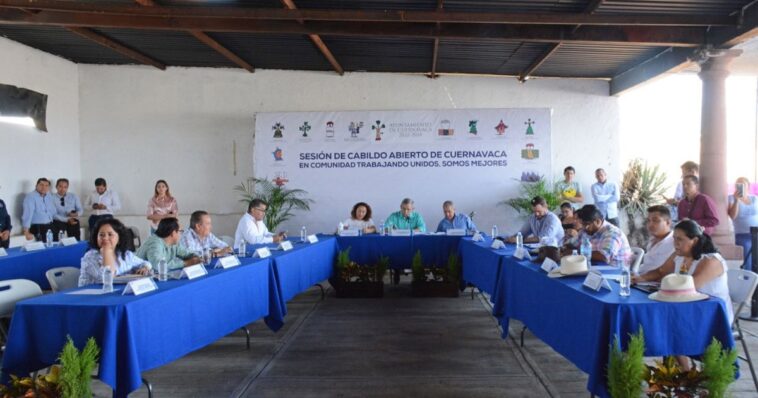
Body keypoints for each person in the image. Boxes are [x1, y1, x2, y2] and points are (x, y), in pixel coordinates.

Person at [632, 220, 733, 366]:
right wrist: (639, 278)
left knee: (667, 327)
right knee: (660, 325)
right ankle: (685, 373)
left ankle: (687, 375)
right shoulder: (679, 255)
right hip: (686, 307)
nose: (675, 243)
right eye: (674, 238)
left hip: (712, 315)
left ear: (695, 240)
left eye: (680, 239)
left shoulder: (710, 260)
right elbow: (661, 271)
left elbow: (690, 288)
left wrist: (664, 288)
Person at [78, 218, 151, 286]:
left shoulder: (125, 254)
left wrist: (144, 268)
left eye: (110, 234)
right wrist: (107, 252)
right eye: (101, 235)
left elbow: (145, 263)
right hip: (91, 297)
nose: (105, 238)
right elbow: (106, 279)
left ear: (119, 239)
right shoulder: (90, 257)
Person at [565, 205, 631, 265]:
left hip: (615, 272)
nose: (584, 227)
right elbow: (572, 244)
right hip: (595, 269)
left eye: (586, 224)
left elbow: (604, 256)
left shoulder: (613, 233)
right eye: (582, 224)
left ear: (597, 221)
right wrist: (566, 248)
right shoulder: (585, 230)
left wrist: (576, 254)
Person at [728, 176, 758, 270]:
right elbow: (732, 216)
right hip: (742, 234)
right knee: (747, 249)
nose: (740, 187)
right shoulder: (731, 198)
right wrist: (737, 200)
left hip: (756, 232)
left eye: (742, 185)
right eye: (738, 185)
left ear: (748, 186)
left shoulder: (755, 198)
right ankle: (748, 277)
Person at [638, 205, 675, 275]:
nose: (650, 224)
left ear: (668, 222)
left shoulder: (674, 243)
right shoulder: (653, 239)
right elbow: (647, 266)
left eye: (655, 220)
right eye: (648, 221)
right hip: (640, 278)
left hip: (656, 283)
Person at [21, 178, 57, 242]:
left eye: (46, 185)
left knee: (54, 246)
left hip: (50, 225)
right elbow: (27, 215)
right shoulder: (30, 197)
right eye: (41, 185)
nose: (44, 187)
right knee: (44, 249)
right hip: (38, 227)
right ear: (36, 186)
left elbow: (53, 211)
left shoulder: (49, 195)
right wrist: (26, 232)